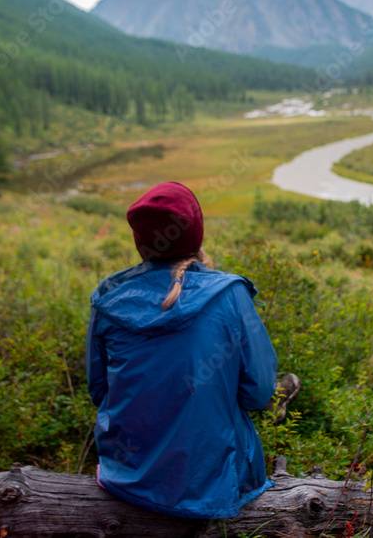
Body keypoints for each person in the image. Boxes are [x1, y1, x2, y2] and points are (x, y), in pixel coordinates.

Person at [85, 181, 281, 519]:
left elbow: (98, 390)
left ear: (139, 241)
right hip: (210, 485)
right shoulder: (229, 295)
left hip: (124, 477)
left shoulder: (108, 298)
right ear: (197, 236)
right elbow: (258, 394)